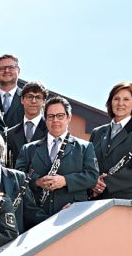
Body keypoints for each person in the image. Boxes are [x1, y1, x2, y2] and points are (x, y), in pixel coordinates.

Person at [16, 95, 99, 228]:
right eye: (51, 116)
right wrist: (37, 181)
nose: (55, 120)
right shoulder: (28, 149)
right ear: (45, 119)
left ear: (69, 117)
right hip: (35, 219)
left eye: (60, 115)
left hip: (71, 217)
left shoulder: (84, 147)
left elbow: (92, 177)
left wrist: (65, 181)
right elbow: (18, 177)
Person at [89, 81, 132, 201]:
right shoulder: (97, 132)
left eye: (126, 99)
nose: (120, 103)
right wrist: (93, 182)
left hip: (127, 201)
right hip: (96, 200)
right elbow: (89, 165)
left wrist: (106, 182)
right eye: (116, 99)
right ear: (110, 102)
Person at [4, 81, 47, 168]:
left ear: (44, 102)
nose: (33, 101)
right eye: (29, 96)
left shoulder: (51, 131)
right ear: (22, 100)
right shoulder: (10, 134)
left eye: (38, 97)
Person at [0, 54, 23, 127]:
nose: (6, 71)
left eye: (11, 67)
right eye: (2, 68)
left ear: (18, 71)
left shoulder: (28, 98)